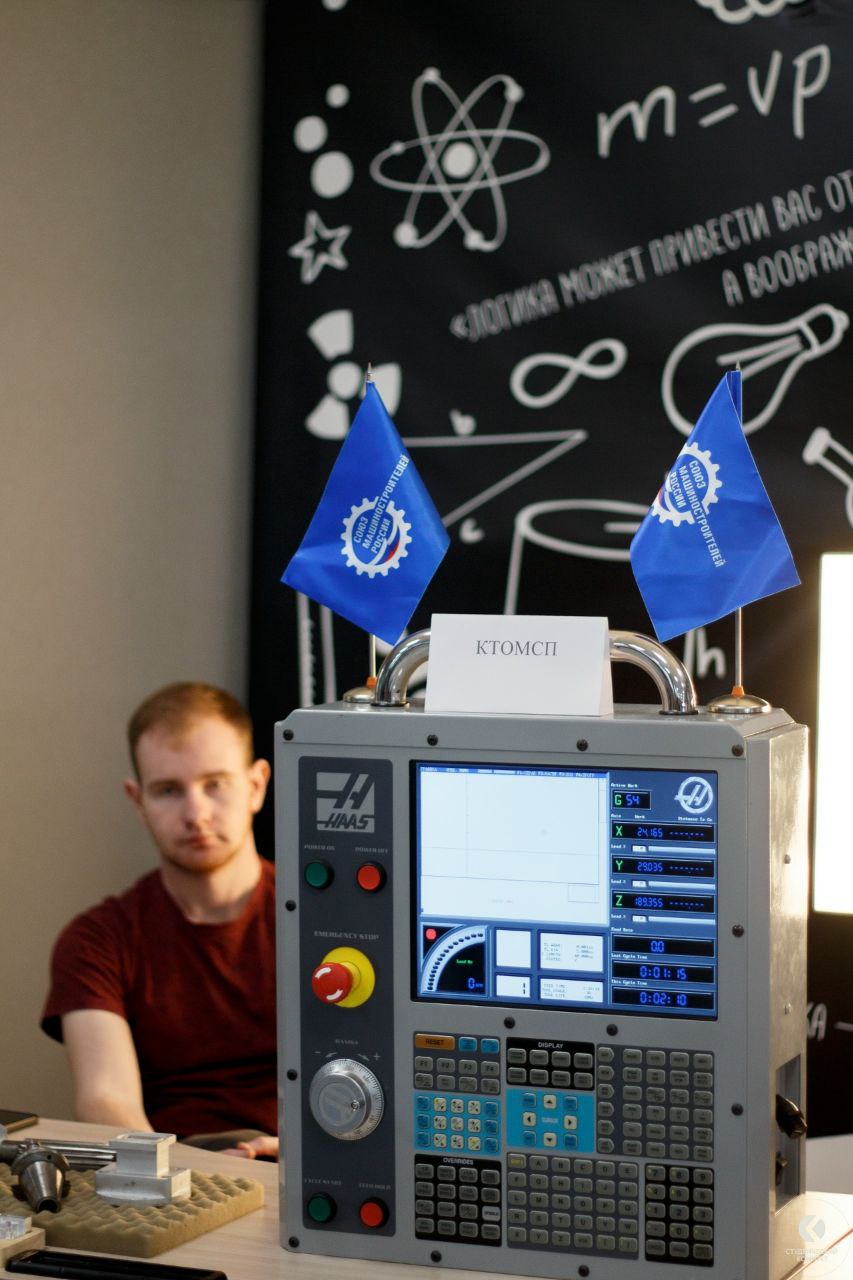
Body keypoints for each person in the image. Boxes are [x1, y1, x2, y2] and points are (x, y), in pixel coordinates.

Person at [41, 682, 278, 1159]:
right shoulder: (96, 940)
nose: (196, 814)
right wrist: (191, 1174)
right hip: (169, 1170)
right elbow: (105, 1100)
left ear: (255, 786)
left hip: (307, 1168)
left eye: (215, 784)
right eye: (169, 790)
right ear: (138, 801)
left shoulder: (327, 922)